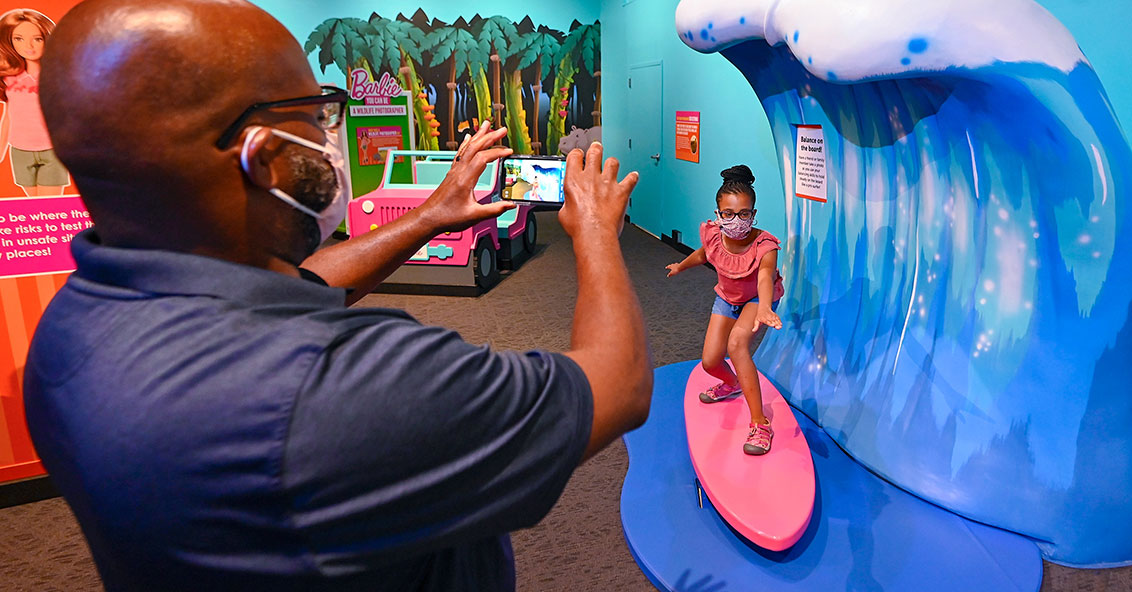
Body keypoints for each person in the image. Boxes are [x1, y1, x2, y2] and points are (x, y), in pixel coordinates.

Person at [23, 1, 650, 591]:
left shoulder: (73, 327)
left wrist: (429, 216)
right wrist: (595, 231)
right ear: (263, 158)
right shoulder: (341, 387)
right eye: (317, 114)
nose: (330, 135)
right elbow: (617, 384)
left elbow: (304, 285)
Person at [666, 165, 784, 455]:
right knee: (710, 362)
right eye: (729, 214)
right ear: (719, 214)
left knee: (737, 344)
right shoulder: (714, 235)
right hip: (727, 298)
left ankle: (760, 423)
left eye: (744, 213)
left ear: (753, 214)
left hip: (757, 299)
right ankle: (732, 383)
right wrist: (681, 265)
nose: (736, 220)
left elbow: (765, 275)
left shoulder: (765, 244)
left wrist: (765, 307)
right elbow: (703, 253)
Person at [0, 8, 69, 196]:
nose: (28, 46)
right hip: (20, 150)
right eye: (18, 39)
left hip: (51, 150)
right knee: (32, 207)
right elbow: (9, 115)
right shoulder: (9, 78)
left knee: (50, 207)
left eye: (37, 38)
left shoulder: (57, 76)